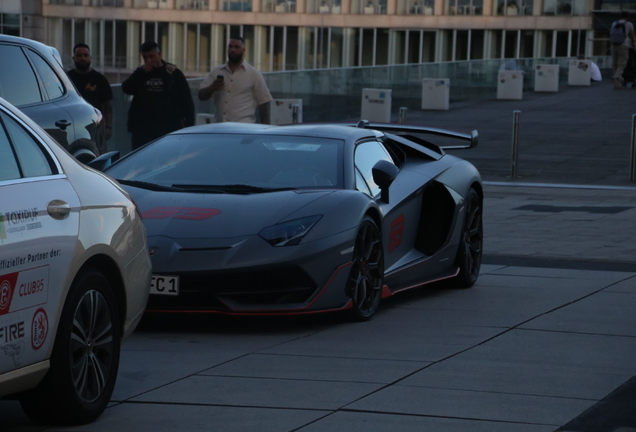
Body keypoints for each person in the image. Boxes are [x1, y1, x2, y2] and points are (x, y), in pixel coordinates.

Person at [122, 41, 195, 150]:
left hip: (168, 127)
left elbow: (187, 100)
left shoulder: (172, 73)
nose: (149, 60)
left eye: (151, 56)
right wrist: (141, 72)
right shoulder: (141, 73)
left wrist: (189, 126)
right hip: (143, 128)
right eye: (145, 57)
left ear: (159, 55)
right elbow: (126, 88)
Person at [198, 36, 272, 124]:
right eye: (230, 46)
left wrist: (264, 131)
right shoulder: (217, 71)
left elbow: (263, 105)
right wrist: (212, 88)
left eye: (237, 47)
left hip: (243, 128)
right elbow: (201, 96)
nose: (233, 50)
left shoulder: (254, 74)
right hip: (220, 127)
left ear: (243, 50)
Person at [67, 43, 113, 150]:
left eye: (85, 55)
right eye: (79, 55)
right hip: (74, 128)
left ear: (90, 58)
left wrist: (108, 127)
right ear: (73, 58)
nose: (82, 58)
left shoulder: (100, 79)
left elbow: (108, 106)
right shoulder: (67, 79)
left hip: (96, 128)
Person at [610, 11, 635, 89]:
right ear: (627, 17)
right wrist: (633, 43)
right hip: (624, 45)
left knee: (615, 63)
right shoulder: (629, 24)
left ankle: (616, 82)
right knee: (622, 63)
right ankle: (617, 77)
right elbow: (632, 35)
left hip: (613, 45)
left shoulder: (614, 23)